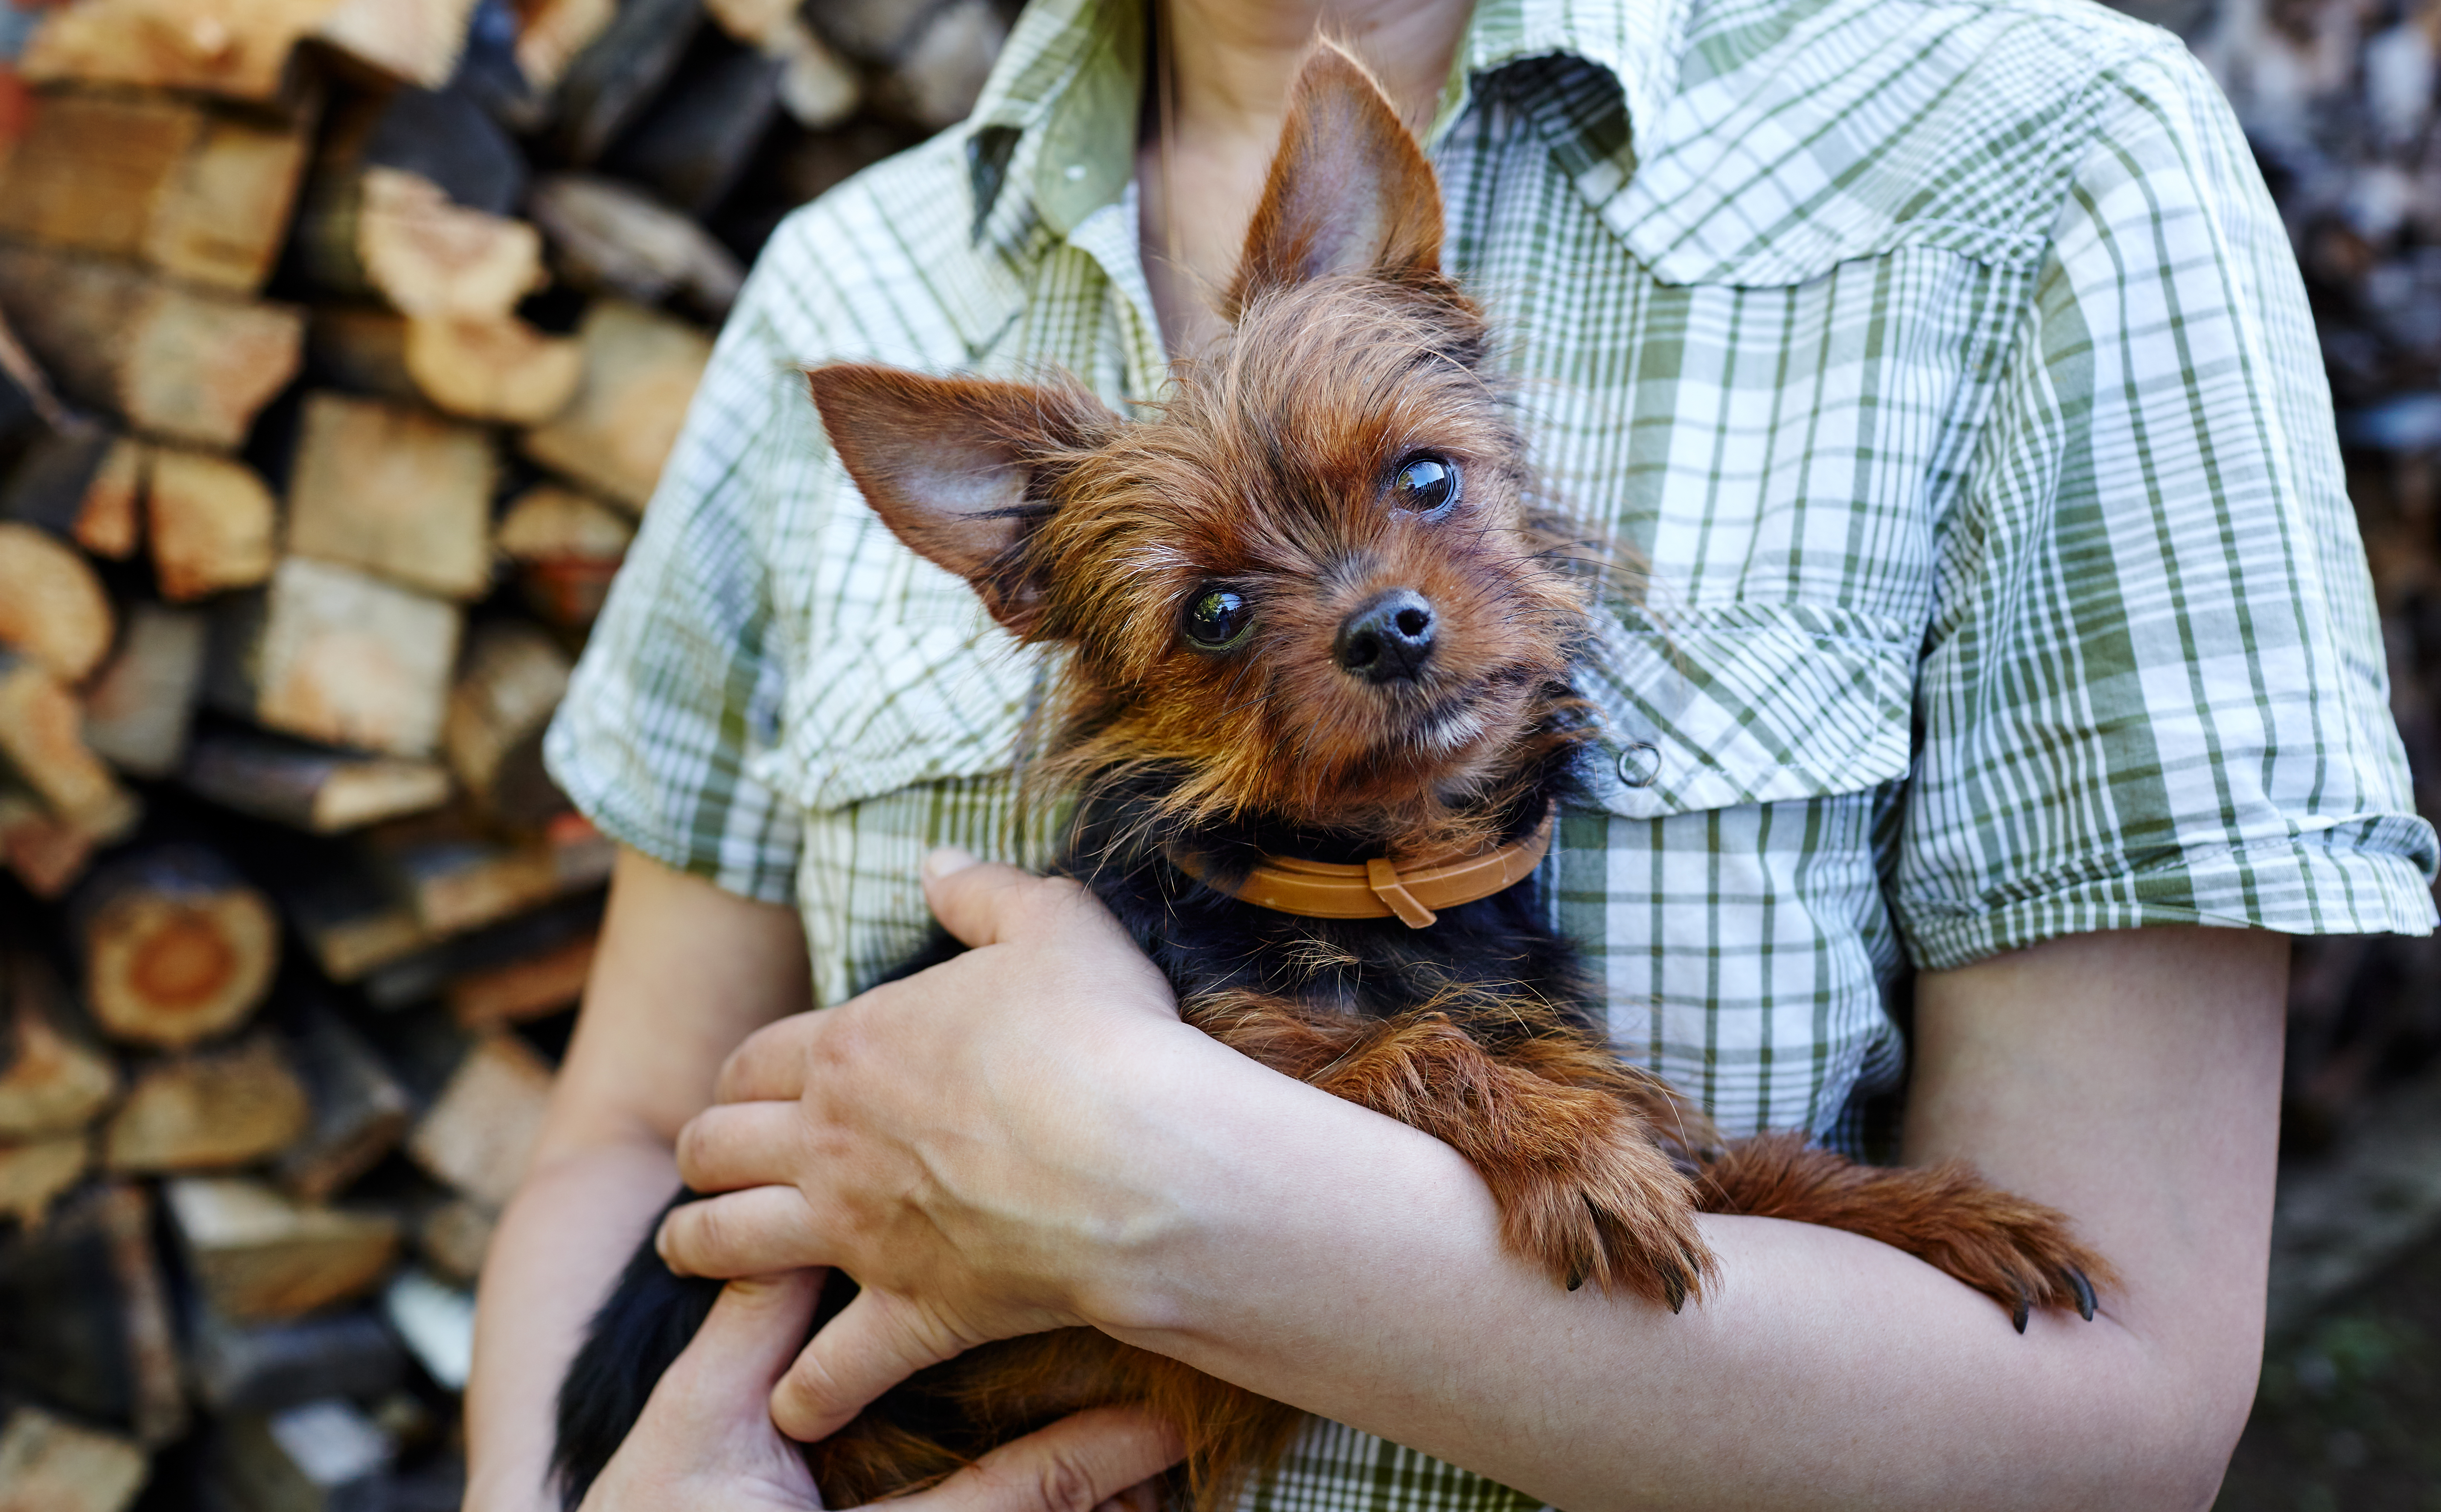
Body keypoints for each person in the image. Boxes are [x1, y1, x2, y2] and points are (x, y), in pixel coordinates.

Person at [460, 0, 2441, 1506]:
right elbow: (629, 1130)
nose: (1381, 611)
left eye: (1421, 488)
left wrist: (1158, 1179)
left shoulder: (2033, 152)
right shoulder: (844, 277)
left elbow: (2125, 1408)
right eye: (1218, 616)